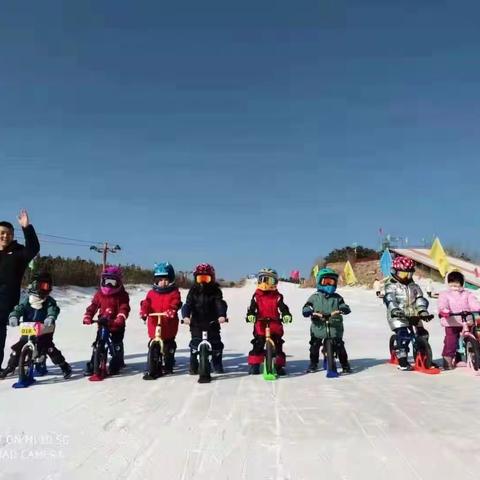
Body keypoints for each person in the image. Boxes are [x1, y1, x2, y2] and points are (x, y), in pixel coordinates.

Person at [0, 272, 71, 380]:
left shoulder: (49, 301)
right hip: (28, 329)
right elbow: (18, 309)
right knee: (18, 348)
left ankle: (64, 366)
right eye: (44, 286)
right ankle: (10, 367)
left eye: (48, 286)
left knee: (49, 348)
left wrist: (50, 317)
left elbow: (53, 309)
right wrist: (14, 317)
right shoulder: (27, 301)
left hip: (44, 329)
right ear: (35, 285)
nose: (46, 289)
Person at [0, 209, 40, 372]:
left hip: (4, 300)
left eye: (8, 234)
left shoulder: (18, 252)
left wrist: (27, 228)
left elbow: (34, 248)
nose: (4, 236)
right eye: (2, 233)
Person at [383, 256, 432, 371]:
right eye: (404, 274)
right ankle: (402, 360)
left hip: (414, 314)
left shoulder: (414, 286)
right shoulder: (391, 286)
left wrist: (422, 310)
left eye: (409, 274)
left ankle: (424, 356)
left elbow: (420, 299)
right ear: (395, 272)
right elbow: (390, 299)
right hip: (398, 316)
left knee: (422, 334)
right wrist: (394, 310)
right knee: (403, 335)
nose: (407, 277)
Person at [83, 266, 130, 375]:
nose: (109, 285)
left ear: (118, 282)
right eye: (107, 282)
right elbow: (93, 306)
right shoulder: (100, 294)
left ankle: (117, 362)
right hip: (103, 323)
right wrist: (88, 315)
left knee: (116, 345)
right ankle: (93, 363)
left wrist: (121, 317)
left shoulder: (122, 295)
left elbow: (124, 307)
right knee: (97, 344)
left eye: (112, 282)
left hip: (116, 325)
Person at [302, 268, 352, 373]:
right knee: (314, 346)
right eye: (326, 281)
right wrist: (308, 311)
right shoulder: (315, 297)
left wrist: (344, 308)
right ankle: (313, 363)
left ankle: (345, 365)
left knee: (340, 346)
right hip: (318, 327)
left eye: (332, 282)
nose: (329, 284)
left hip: (335, 326)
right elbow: (307, 306)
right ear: (320, 282)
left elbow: (343, 305)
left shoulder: (337, 298)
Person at [181, 263, 227, 376]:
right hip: (196, 323)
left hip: (212, 323)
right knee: (194, 345)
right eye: (200, 278)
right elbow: (188, 305)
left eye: (206, 278)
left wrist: (221, 315)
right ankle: (193, 364)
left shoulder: (215, 291)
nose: (203, 281)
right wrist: (186, 316)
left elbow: (219, 303)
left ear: (212, 278)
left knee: (216, 345)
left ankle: (217, 364)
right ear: (196, 279)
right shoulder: (193, 291)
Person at [246, 268, 292, 376]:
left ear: (275, 282)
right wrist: (251, 315)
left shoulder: (277, 296)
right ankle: (255, 365)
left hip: (274, 323)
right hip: (261, 323)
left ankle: (278, 365)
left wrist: (286, 314)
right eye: (263, 279)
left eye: (269, 280)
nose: (266, 283)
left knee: (278, 344)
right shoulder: (257, 296)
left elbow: (283, 307)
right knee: (258, 342)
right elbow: (252, 308)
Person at [140, 262, 182, 379]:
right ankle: (152, 366)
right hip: (155, 324)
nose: (163, 282)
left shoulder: (174, 292)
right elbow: (146, 303)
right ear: (156, 280)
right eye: (160, 280)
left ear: (171, 279)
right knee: (152, 344)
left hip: (168, 325)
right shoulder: (151, 293)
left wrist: (172, 309)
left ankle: (168, 364)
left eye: (166, 279)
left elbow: (176, 302)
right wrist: (144, 311)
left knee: (169, 347)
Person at [437, 270, 480, 369]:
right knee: (451, 341)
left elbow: (473, 303)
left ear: (462, 283)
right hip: (451, 321)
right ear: (448, 282)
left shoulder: (467, 294)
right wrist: (444, 311)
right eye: (452, 282)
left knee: (475, 336)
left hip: (467, 320)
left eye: (457, 282)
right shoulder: (445, 294)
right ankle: (447, 359)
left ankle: (470, 355)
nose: (455, 285)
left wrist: (477, 308)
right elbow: (442, 303)